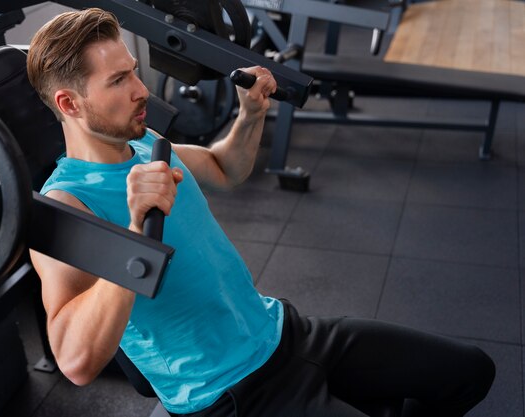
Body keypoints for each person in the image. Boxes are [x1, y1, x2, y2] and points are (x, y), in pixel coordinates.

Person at [26, 8, 495, 417]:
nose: (140, 89)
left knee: (470, 372)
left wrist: (250, 115)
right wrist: (133, 231)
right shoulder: (64, 207)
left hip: (285, 332)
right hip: (230, 393)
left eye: (132, 71)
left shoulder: (145, 143)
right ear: (69, 103)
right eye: (119, 81)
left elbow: (224, 168)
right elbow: (75, 361)